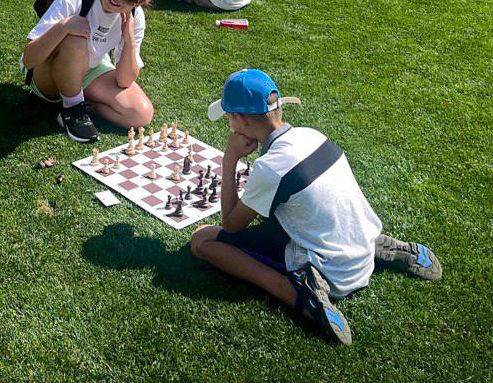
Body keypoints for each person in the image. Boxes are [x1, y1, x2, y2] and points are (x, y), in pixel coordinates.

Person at [189, 69, 441, 346]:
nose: (228, 124)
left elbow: (230, 226)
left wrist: (230, 159)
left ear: (240, 119)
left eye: (228, 118)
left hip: (334, 273)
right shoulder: (311, 135)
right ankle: (376, 245)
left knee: (203, 240)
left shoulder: (270, 167)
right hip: (362, 249)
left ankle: (300, 295)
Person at [21, 0, 162, 142]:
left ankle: (76, 102)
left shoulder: (135, 17)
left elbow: (124, 80)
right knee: (76, 36)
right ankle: (73, 109)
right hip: (45, 74)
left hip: (88, 68)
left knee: (140, 114)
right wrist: (63, 27)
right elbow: (29, 59)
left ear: (142, 1)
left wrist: (128, 40)